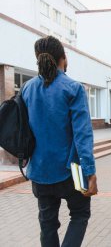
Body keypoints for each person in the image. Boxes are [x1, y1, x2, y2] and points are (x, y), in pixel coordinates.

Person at [22, 36, 98, 247]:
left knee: (47, 224)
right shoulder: (73, 88)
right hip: (71, 169)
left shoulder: (27, 89)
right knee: (80, 214)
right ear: (63, 58)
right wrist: (90, 172)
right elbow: (82, 135)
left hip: (39, 170)